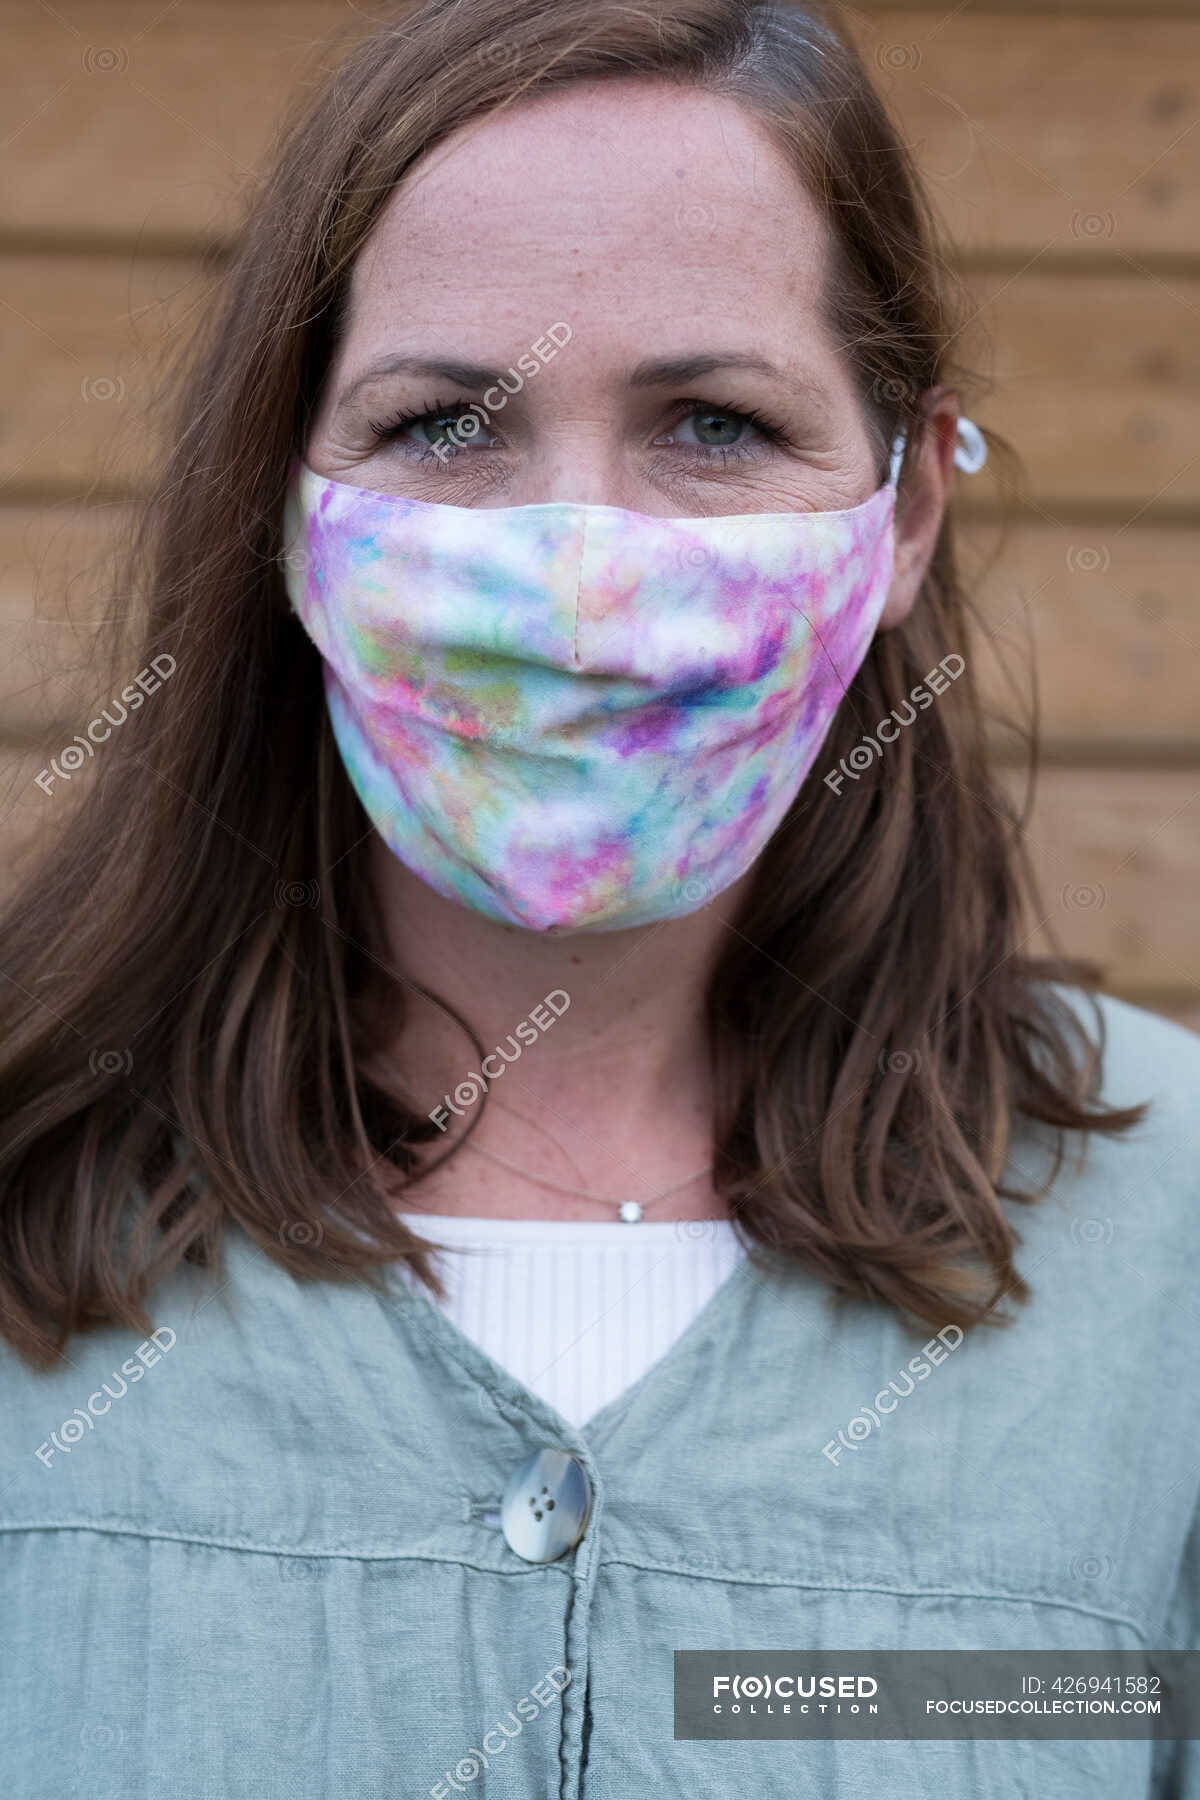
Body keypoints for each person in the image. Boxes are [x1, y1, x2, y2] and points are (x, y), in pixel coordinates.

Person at [1, 0, 1196, 1794]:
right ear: (287, 507)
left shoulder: (1173, 1242)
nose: (577, 585)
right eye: (443, 426)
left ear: (903, 519)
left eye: (713, 425)